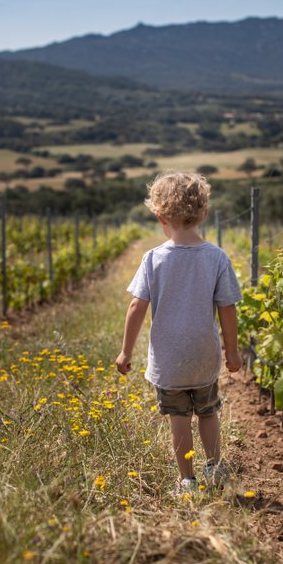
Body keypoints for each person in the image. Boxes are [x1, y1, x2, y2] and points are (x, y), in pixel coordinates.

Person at [116, 171, 242, 493]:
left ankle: (186, 480)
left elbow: (136, 308)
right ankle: (215, 468)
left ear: (160, 216)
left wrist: (126, 351)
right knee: (209, 412)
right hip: (204, 357)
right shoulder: (216, 257)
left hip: (169, 361)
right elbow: (227, 309)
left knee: (179, 419)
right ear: (204, 213)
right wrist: (233, 352)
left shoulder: (152, 259)